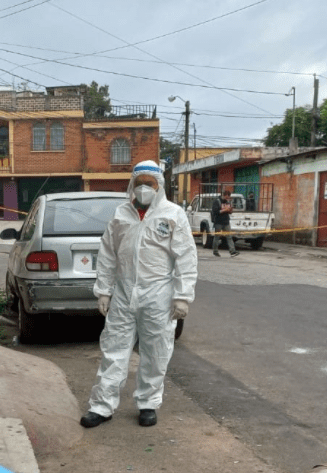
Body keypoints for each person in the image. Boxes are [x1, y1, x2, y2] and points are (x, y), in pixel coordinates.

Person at [80, 160, 198, 429]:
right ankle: (101, 406)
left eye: (150, 183)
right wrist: (104, 291)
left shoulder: (173, 214)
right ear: (131, 185)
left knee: (156, 352)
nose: (144, 188)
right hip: (123, 292)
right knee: (113, 350)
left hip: (158, 293)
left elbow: (186, 258)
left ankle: (148, 403)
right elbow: (108, 254)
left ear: (160, 186)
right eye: (139, 183)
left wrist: (182, 296)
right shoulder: (121, 214)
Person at [211, 189, 238, 258]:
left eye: (228, 197)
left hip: (226, 221)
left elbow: (229, 212)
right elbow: (216, 211)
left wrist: (230, 210)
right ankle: (215, 251)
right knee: (217, 237)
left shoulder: (227, 202)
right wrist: (224, 210)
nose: (227, 198)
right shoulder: (217, 202)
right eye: (227, 197)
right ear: (223, 195)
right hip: (218, 222)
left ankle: (232, 251)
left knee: (229, 236)